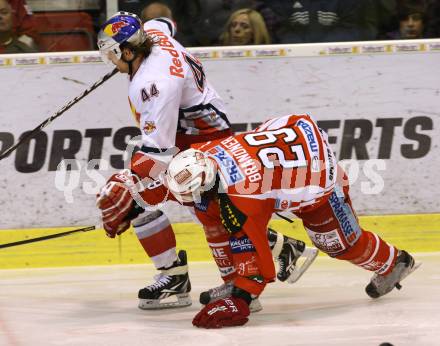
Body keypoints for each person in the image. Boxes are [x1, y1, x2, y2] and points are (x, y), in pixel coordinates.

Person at [95, 12, 316, 311]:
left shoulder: (153, 84)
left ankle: (210, 280)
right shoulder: (154, 35)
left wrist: (131, 199)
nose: (110, 60)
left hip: (201, 144)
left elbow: (157, 154)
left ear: (129, 50)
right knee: (212, 209)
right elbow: (164, 20)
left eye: (112, 54)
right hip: (200, 133)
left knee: (140, 195)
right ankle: (279, 249)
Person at [164, 113, 419, 328]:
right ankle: (278, 247)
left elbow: (257, 264)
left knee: (338, 244)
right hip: (295, 130)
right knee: (218, 215)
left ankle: (394, 262)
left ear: (206, 182)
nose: (188, 200)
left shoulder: (245, 198)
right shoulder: (202, 152)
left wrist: (241, 297)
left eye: (191, 193)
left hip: (320, 181)